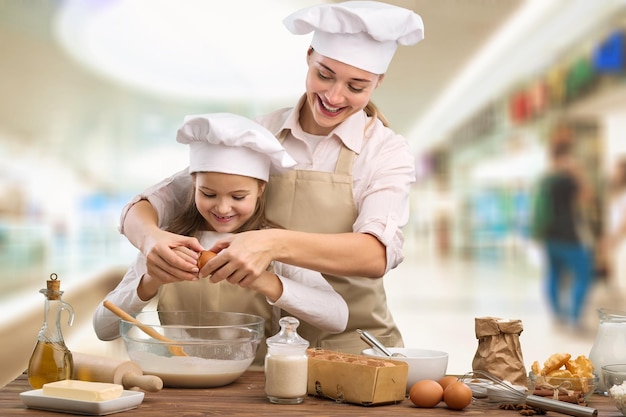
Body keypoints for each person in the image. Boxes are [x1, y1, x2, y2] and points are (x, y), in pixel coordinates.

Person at [118, 2, 424, 353]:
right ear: (309, 57)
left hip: (355, 347)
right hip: (273, 352)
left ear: (378, 82)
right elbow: (149, 204)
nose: (334, 96)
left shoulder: (385, 151)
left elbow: (375, 255)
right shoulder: (257, 133)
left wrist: (271, 243)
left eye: (356, 86)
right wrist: (152, 240)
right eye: (324, 75)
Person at [93, 113, 349, 364]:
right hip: (179, 381)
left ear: (261, 188)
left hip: (257, 384)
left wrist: (265, 281)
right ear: (193, 182)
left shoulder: (270, 247)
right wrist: (150, 281)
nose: (223, 208)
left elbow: (338, 317)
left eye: (238, 197)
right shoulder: (169, 245)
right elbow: (103, 329)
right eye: (208, 194)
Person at [530, 124, 594, 329]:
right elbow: (587, 197)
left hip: (549, 235)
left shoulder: (545, 177)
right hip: (568, 235)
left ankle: (558, 316)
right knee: (584, 273)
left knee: (554, 274)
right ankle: (575, 318)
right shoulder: (567, 176)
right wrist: (578, 174)